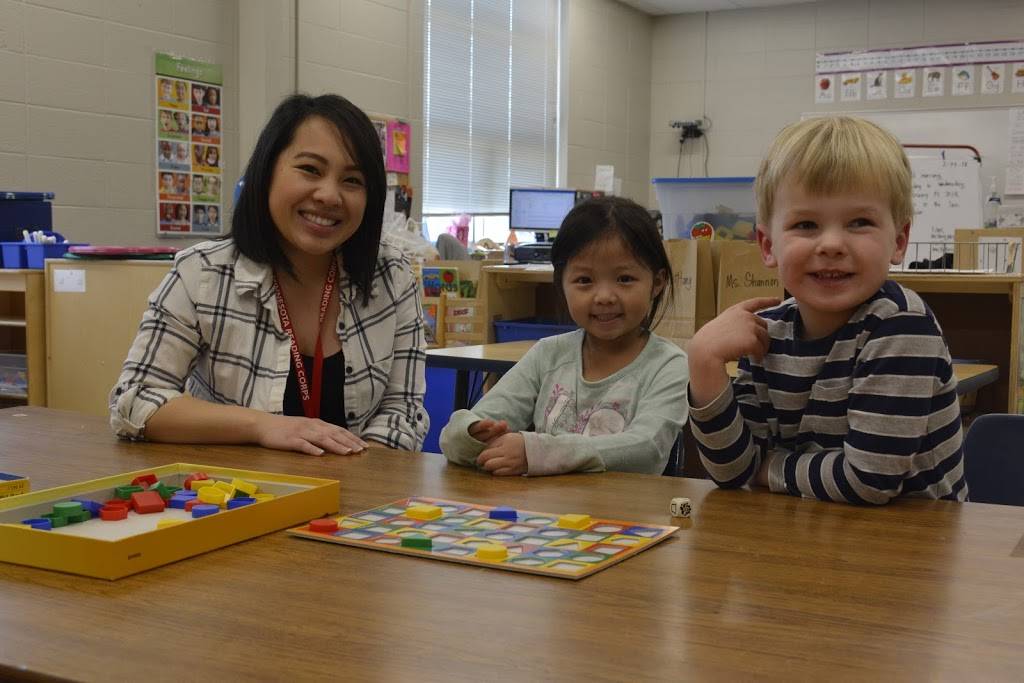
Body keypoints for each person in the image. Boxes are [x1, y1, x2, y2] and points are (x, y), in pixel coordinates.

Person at [110, 93, 429, 455]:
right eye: (310, 169)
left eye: (352, 180)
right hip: (237, 496)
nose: (329, 195)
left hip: (358, 502)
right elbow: (135, 400)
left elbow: (403, 412)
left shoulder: (392, 276)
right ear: (267, 172)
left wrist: (357, 479)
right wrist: (263, 426)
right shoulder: (203, 273)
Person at [686, 116, 966, 504]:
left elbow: (869, 480)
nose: (832, 243)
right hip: (814, 538)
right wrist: (703, 362)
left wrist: (771, 468)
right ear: (768, 246)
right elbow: (733, 470)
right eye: (806, 224)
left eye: (859, 222)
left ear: (898, 241)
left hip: (910, 548)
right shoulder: (766, 332)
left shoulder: (901, 325)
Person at [440, 196, 689, 476]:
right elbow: (454, 437)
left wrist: (537, 453)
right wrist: (473, 433)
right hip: (547, 514)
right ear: (561, 284)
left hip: (626, 514)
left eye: (624, 279)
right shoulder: (548, 355)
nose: (604, 296)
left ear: (656, 283)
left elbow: (646, 449)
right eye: (584, 281)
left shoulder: (668, 365)